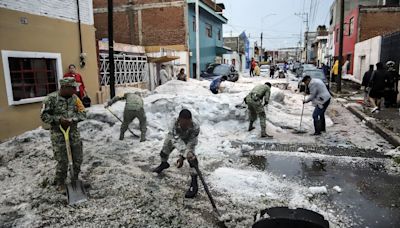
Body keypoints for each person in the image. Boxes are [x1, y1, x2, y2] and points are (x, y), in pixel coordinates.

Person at [40, 78, 87, 191]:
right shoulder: (50, 99)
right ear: (64, 88)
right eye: (73, 88)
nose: (75, 90)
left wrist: (73, 119)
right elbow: (43, 116)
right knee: (62, 160)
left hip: (73, 132)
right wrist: (58, 120)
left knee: (78, 158)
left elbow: (83, 113)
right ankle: (60, 182)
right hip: (58, 134)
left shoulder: (75, 98)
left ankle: (74, 180)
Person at [153, 109, 201, 199]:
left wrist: (187, 154)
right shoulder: (173, 124)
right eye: (184, 124)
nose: (186, 126)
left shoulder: (195, 126)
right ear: (179, 120)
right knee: (163, 153)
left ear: (191, 121)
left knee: (193, 160)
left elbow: (192, 142)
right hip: (174, 138)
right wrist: (184, 154)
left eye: (188, 124)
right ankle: (164, 164)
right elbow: (176, 141)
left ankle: (194, 183)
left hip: (188, 139)